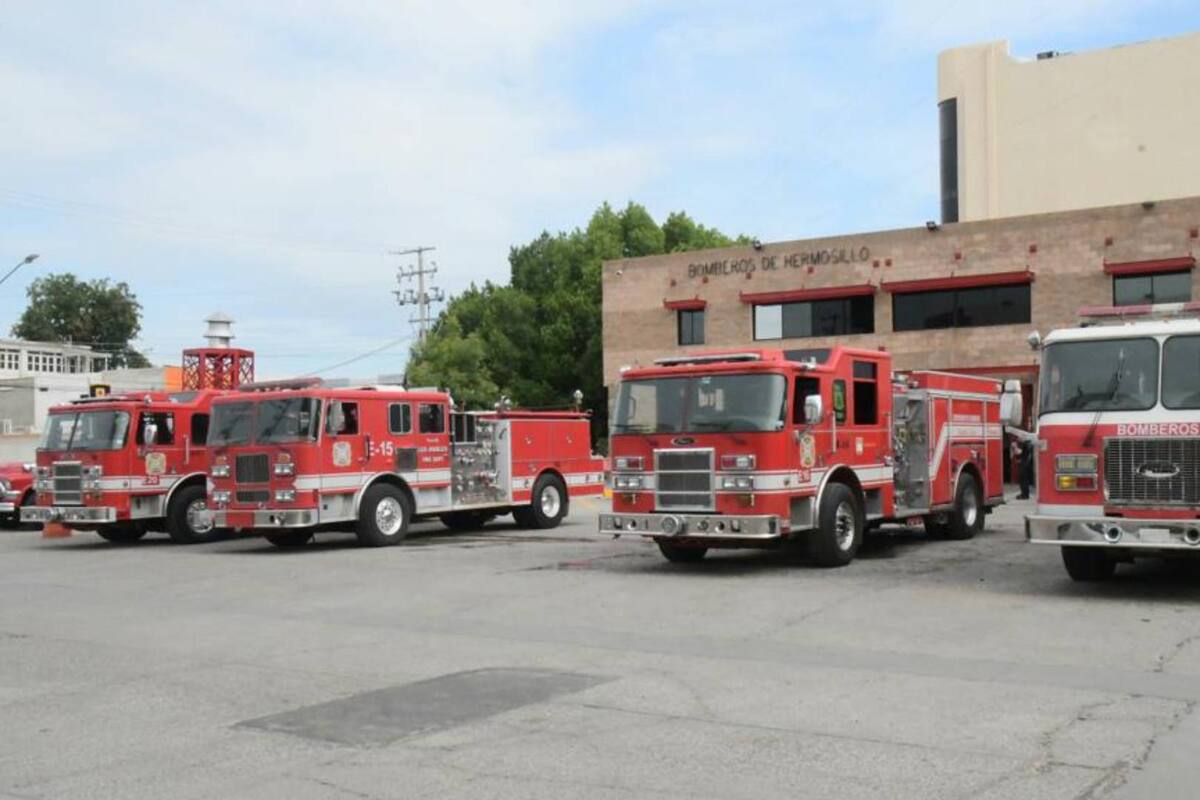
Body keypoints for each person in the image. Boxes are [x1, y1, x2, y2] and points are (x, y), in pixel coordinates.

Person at [1008, 427, 1037, 499]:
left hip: (1023, 463)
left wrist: (1014, 447)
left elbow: (1019, 452)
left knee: (1023, 479)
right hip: (1025, 462)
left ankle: (1024, 495)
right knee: (1024, 479)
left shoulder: (1024, 443)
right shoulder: (1028, 443)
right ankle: (1024, 494)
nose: (1018, 438)